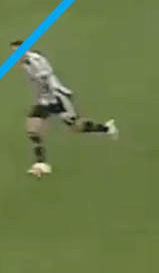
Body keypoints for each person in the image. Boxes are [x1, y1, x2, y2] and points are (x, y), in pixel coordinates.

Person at [15, 41, 118, 177]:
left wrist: (55, 98)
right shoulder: (26, 63)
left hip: (57, 98)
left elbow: (46, 80)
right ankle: (41, 163)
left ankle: (106, 129)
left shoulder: (37, 61)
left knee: (76, 127)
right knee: (33, 128)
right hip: (43, 101)